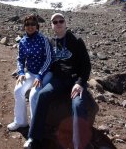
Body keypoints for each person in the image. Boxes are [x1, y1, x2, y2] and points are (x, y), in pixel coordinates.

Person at [24, 13, 93, 149]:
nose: (58, 23)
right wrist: (38, 75)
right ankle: (34, 138)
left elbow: (86, 65)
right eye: (55, 22)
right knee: (42, 95)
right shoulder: (51, 42)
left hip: (75, 80)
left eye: (61, 21)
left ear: (65, 23)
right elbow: (46, 61)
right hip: (59, 80)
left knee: (78, 104)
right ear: (52, 25)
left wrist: (79, 83)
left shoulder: (77, 40)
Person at [7, 14, 53, 131]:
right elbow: (20, 59)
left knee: (33, 95)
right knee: (18, 91)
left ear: (37, 26)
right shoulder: (23, 41)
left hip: (45, 73)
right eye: (27, 24)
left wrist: (40, 75)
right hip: (31, 72)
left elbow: (49, 58)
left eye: (33, 24)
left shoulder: (44, 39)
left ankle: (34, 127)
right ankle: (21, 121)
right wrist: (21, 72)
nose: (30, 26)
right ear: (24, 26)